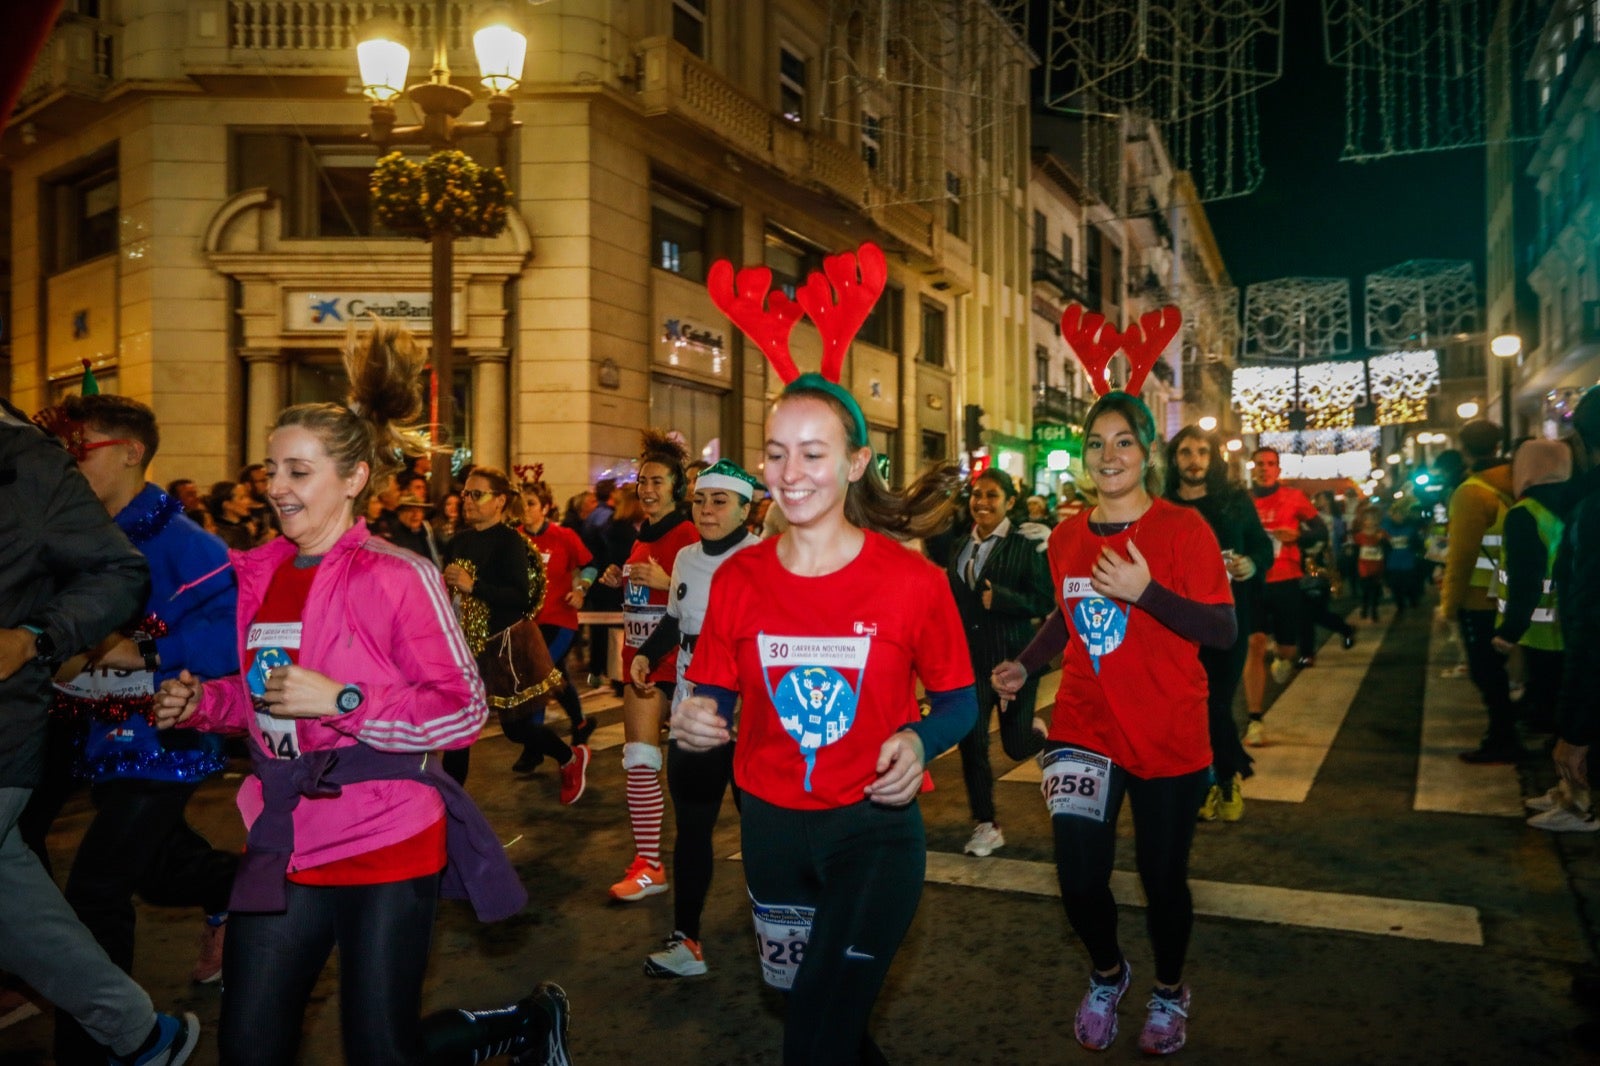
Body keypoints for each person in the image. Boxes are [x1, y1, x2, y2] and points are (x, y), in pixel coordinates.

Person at [151, 321, 569, 1066]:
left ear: (353, 479)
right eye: (272, 470)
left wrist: (346, 702)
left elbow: (463, 709)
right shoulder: (258, 574)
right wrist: (206, 704)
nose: (277, 488)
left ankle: (520, 1027)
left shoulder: (398, 576)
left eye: (298, 471)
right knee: (249, 1044)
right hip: (284, 831)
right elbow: (268, 697)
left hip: (385, 834)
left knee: (380, 1048)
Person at [676, 240, 976, 1063]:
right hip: (770, 830)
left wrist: (919, 739)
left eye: (813, 454)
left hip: (872, 832)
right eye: (777, 453)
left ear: (854, 463)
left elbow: (960, 700)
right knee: (815, 1014)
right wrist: (700, 720)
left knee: (815, 1028)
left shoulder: (911, 581)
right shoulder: (739, 580)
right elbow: (716, 695)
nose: (791, 472)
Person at [994, 393, 1236, 1056]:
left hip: (1167, 730)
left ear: (1148, 451)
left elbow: (1222, 628)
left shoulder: (1183, 529)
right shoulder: (1067, 537)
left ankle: (1169, 990)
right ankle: (1107, 973)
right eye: (1096, 443)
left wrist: (1145, 592)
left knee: (1162, 880)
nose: (1109, 455)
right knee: (1077, 878)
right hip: (1085, 725)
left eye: (1123, 441)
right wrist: (1024, 664)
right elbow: (1064, 613)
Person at [27, 394, 240, 1061]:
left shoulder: (190, 543)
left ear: (130, 452)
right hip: (90, 730)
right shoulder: (74, 534)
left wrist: (144, 652)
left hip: (167, 737)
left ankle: (111, 1046)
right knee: (160, 873)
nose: (69, 464)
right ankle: (242, 889)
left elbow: (234, 637)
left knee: (98, 888)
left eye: (80, 449)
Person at [629, 459, 763, 978]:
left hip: (749, 714)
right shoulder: (685, 557)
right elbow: (674, 620)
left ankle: (783, 926)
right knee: (692, 825)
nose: (707, 511)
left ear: (745, 510)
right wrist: (647, 654)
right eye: (700, 500)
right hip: (692, 708)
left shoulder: (764, 560)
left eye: (720, 502)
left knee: (762, 825)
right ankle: (686, 940)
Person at [595, 432, 701, 901]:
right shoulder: (643, 534)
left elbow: (701, 595)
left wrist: (666, 579)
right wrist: (618, 578)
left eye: (657, 481)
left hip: (681, 665)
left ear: (677, 487)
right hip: (640, 662)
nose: (648, 489)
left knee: (696, 773)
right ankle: (649, 865)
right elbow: (643, 596)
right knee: (639, 760)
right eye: (642, 481)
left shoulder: (689, 534)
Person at [443, 467, 587, 803]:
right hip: (465, 647)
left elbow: (520, 598)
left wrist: (473, 585)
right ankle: (449, 804)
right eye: (465, 494)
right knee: (460, 725)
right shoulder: (458, 541)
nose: (467, 500)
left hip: (505, 647)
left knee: (516, 729)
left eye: (477, 494)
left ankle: (569, 757)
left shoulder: (509, 541)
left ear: (500, 501)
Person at [1164, 424, 1272, 822]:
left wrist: (1251, 564)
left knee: (1216, 701)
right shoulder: (1160, 506)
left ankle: (1223, 776)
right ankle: (1214, 779)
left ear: (1213, 459)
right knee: (1188, 706)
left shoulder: (1234, 501)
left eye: (1202, 452)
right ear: (1174, 459)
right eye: (1186, 452)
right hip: (1176, 622)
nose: (1194, 460)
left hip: (1228, 619)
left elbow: (1261, 545)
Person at [945, 467, 1052, 857]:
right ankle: (986, 824)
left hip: (1015, 659)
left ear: (1010, 502)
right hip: (971, 663)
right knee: (971, 743)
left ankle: (1037, 739)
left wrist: (1003, 599)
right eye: (977, 494)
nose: (982, 502)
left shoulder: (1026, 544)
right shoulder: (960, 544)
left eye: (992, 495)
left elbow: (1045, 601)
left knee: (1015, 744)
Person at [1441, 419, 1521, 763]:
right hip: (1517, 590)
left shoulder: (1471, 492)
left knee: (1486, 671)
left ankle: (1502, 736)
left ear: (1464, 449)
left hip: (1480, 598)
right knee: (1506, 669)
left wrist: (1449, 605)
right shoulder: (1517, 482)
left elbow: (1461, 555)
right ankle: (1508, 731)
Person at [1492, 439, 1571, 773]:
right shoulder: (1577, 504)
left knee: (1552, 710)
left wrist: (1509, 631)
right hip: (1575, 624)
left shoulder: (1526, 513)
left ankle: (1569, 789)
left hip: (1542, 634)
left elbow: (1526, 578)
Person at [1241, 447, 1319, 746]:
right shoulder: (1242, 501)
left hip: (1286, 580)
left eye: (1270, 464)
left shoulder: (1293, 497)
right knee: (1255, 643)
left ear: (1278, 469)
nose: (1265, 468)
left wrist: (1298, 535)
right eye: (1260, 464)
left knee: (1287, 648)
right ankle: (1255, 720)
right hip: (1253, 580)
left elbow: (1321, 531)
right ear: (1253, 468)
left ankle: (1283, 658)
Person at [517, 473, 597, 763]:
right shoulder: (515, 538)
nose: (525, 509)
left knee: (540, 673)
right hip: (528, 623)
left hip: (560, 620)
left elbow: (590, 566)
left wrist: (581, 589)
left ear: (545, 507)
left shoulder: (564, 537)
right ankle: (580, 723)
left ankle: (534, 744)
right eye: (521, 503)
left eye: (530, 503)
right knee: (556, 675)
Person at [1381, 499, 1425, 617]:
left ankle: (1413, 600)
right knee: (1396, 586)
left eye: (1401, 514)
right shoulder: (1385, 529)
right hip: (1393, 563)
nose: (1398, 516)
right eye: (1396, 514)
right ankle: (1400, 605)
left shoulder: (1411, 528)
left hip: (1408, 562)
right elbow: (1383, 546)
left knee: (1409, 584)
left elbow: (1417, 544)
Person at [1351, 509, 1389, 622]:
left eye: (1373, 519)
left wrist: (1382, 540)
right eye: (1367, 519)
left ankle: (1373, 610)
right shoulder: (1359, 536)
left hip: (1378, 565)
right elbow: (1355, 552)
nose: (1370, 521)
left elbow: (1388, 548)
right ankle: (1365, 607)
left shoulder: (1382, 533)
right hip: (1364, 566)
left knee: (1375, 589)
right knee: (1366, 589)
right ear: (1363, 521)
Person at [389, 498, 442, 568]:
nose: (415, 514)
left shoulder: (425, 530)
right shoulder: (392, 534)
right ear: (400, 513)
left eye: (419, 510)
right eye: (410, 510)